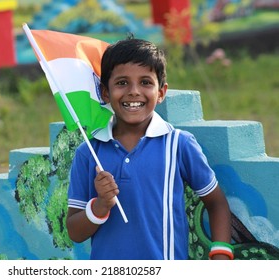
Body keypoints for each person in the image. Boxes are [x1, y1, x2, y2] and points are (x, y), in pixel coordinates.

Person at [66, 36, 232, 260]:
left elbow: (217, 203)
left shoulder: (178, 144)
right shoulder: (88, 153)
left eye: (145, 82)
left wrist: (221, 255)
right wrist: (101, 206)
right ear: (105, 92)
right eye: (122, 82)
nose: (134, 91)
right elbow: (75, 232)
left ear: (161, 92)